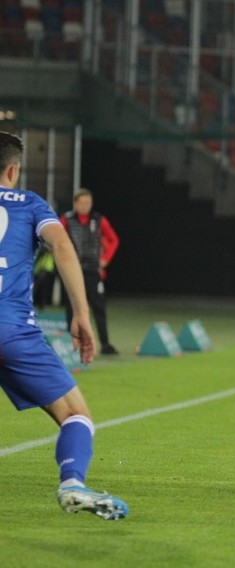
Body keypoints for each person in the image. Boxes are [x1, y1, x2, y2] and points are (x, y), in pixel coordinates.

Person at [0, 131, 128, 520]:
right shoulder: (30, 204)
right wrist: (81, 314)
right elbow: (62, 246)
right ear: (12, 170)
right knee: (76, 415)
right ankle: (72, 483)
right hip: (11, 331)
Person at [60, 188, 120, 355]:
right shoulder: (66, 220)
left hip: (93, 271)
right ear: (75, 203)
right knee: (71, 307)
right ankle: (70, 343)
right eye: (82, 202)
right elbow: (56, 241)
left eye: (88, 203)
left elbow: (114, 239)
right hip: (73, 271)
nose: (86, 206)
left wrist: (105, 259)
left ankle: (105, 344)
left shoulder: (99, 219)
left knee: (98, 306)